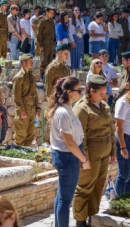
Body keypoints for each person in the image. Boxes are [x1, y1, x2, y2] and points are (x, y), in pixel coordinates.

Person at [46, 76, 90, 227]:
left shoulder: (67, 108)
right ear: (69, 92)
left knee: (61, 197)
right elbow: (69, 142)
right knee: (65, 200)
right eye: (79, 90)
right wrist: (84, 160)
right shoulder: (63, 113)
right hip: (67, 157)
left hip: (67, 156)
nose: (81, 93)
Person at [72, 75, 114, 227]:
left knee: (98, 185)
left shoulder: (103, 105)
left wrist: (113, 151)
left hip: (105, 151)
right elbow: (80, 137)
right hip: (91, 153)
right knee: (85, 186)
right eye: (101, 94)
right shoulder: (81, 108)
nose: (104, 97)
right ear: (91, 91)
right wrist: (85, 159)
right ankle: (80, 220)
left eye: (105, 93)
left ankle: (92, 215)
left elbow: (111, 128)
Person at [12, 54, 40, 146]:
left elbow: (34, 93)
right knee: (21, 136)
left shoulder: (31, 75)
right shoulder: (19, 77)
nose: (32, 63)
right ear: (24, 63)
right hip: (23, 111)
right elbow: (17, 97)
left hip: (31, 110)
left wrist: (38, 108)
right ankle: (18, 158)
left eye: (32, 61)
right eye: (30, 61)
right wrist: (22, 111)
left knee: (30, 135)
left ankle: (26, 156)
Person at [38, 7, 57, 79]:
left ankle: (48, 74)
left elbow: (53, 32)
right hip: (44, 42)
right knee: (44, 59)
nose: (52, 14)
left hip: (51, 42)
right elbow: (39, 33)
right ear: (47, 12)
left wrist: (53, 43)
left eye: (53, 13)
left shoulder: (52, 21)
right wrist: (40, 44)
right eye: (51, 13)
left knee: (50, 59)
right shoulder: (42, 21)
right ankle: (42, 75)